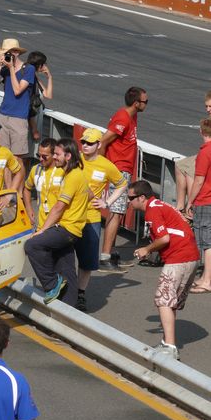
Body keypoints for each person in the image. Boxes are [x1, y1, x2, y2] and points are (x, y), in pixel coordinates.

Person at [130, 180, 199, 360]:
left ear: (141, 197)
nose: (129, 201)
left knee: (164, 300)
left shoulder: (152, 211)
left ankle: (169, 347)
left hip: (180, 258)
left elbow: (164, 238)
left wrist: (147, 249)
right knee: (170, 302)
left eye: (131, 198)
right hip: (190, 257)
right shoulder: (159, 205)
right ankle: (166, 342)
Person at [25, 138, 89, 305]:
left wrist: (42, 230)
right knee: (67, 270)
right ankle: (69, 311)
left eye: (56, 154)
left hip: (65, 227)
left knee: (32, 245)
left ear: (68, 156)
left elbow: (59, 207)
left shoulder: (72, 176)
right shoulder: (72, 175)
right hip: (64, 227)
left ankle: (52, 284)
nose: (54, 157)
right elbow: (88, 194)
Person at [75, 128, 128, 311]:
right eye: (83, 142)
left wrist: (107, 202)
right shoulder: (75, 160)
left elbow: (122, 184)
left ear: (98, 145)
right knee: (62, 256)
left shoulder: (106, 165)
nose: (85, 146)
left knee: (87, 261)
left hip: (91, 218)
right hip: (69, 217)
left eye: (89, 143)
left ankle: (80, 294)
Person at [98, 86, 148, 271]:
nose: (146, 104)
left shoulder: (132, 116)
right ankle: (104, 258)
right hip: (117, 171)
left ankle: (109, 254)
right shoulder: (123, 117)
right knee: (116, 212)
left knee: (118, 212)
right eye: (145, 101)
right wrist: (104, 167)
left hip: (123, 170)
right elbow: (103, 141)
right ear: (136, 103)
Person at [0, 38, 35, 168]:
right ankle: (7, 187)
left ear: (16, 52)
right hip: (3, 115)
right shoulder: (4, 69)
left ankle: (17, 188)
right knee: (3, 157)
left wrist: (11, 69)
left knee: (17, 159)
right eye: (5, 53)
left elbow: (18, 90)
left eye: (9, 52)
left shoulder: (28, 69)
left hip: (19, 118)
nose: (7, 55)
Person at [174, 90, 211, 216]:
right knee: (180, 165)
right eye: (206, 106)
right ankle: (180, 206)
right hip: (206, 151)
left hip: (208, 153)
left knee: (191, 170)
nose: (208, 109)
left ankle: (192, 209)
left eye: (210, 106)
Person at [186, 117, 211, 294]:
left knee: (207, 243)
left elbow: (199, 179)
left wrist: (190, 201)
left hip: (205, 200)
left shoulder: (205, 152)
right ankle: (205, 278)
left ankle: (207, 280)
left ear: (201, 131)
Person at [23, 138, 63, 230]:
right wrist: (28, 208)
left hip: (59, 225)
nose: (40, 159)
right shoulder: (35, 169)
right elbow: (26, 189)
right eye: (38, 155)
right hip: (40, 225)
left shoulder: (62, 171)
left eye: (44, 156)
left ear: (54, 155)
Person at [25, 51, 53, 142]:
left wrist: (49, 77)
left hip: (35, 118)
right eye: (44, 63)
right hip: (30, 121)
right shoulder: (30, 78)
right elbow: (28, 104)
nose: (45, 66)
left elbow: (47, 94)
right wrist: (34, 129)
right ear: (39, 65)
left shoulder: (33, 76)